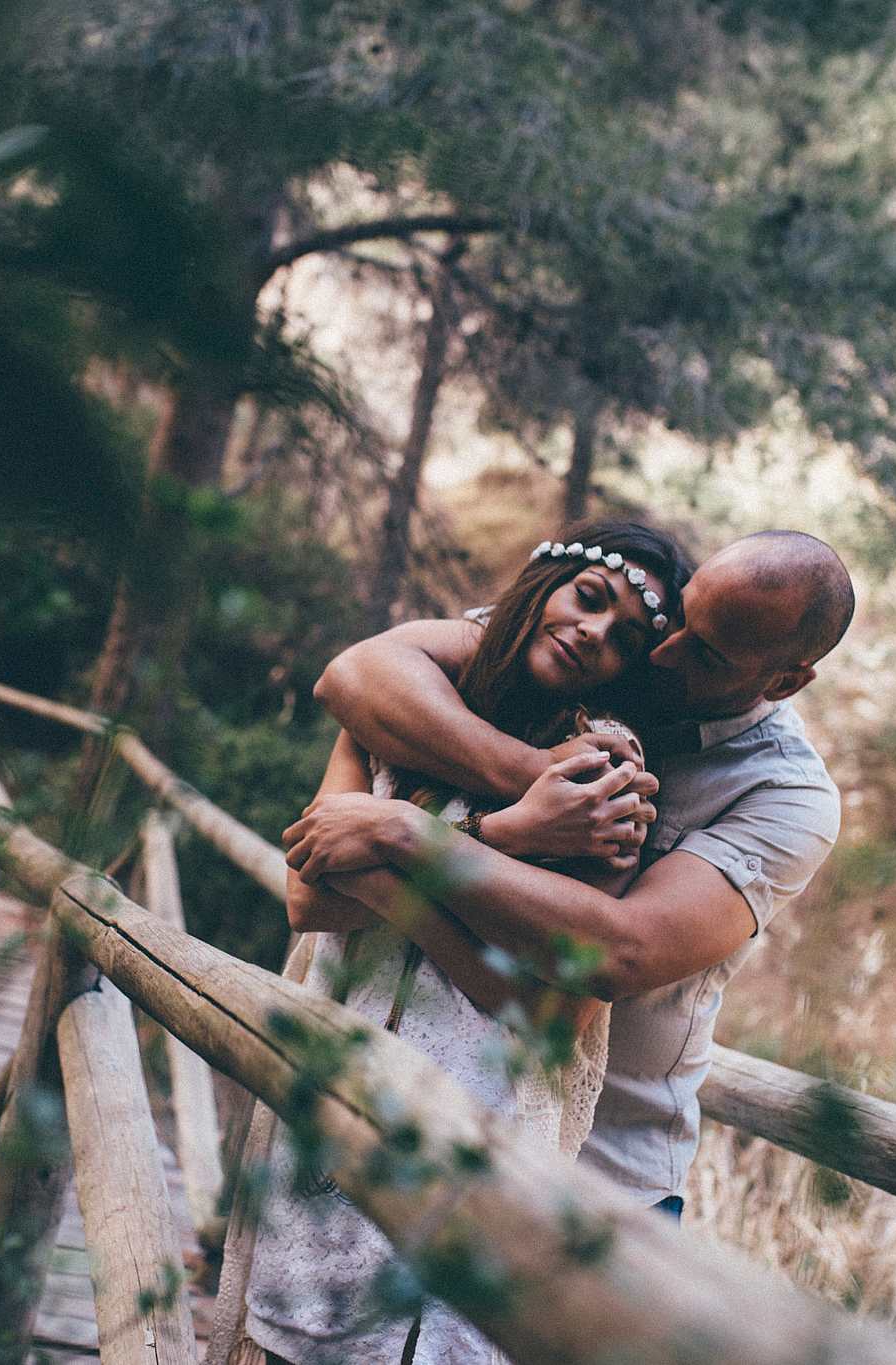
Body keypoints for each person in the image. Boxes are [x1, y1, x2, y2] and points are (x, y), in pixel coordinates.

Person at [288, 530, 853, 1218]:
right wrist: (536, 780)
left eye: (705, 651)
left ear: (785, 679)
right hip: (422, 1112)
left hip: (606, 1177)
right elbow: (354, 674)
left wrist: (408, 834)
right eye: (681, 617)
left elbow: (617, 952)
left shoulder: (787, 796)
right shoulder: (605, 644)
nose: (665, 651)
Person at [236, 521, 690, 1365]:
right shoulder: (400, 714)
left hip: (479, 1121)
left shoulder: (610, 780)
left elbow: (540, 1004)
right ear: (542, 586)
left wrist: (398, 853)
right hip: (336, 1090)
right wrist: (505, 830)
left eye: (626, 637)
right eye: (587, 599)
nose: (594, 633)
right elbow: (310, 893)